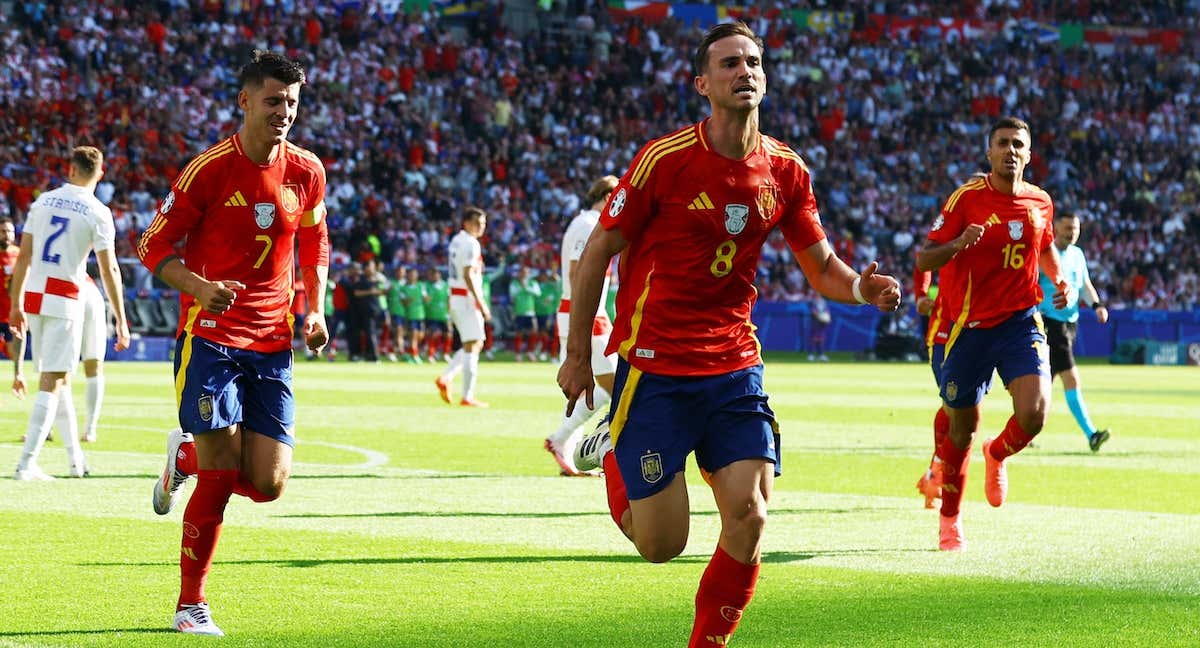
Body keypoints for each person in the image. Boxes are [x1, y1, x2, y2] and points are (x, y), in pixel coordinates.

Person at [559, 23, 901, 647]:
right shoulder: (664, 161)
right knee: (662, 546)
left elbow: (822, 266)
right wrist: (578, 355)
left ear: (764, 78)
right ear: (702, 84)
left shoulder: (787, 171)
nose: (743, 71)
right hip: (657, 367)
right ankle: (613, 449)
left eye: (752, 62)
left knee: (749, 516)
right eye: (728, 64)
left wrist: (861, 288)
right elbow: (598, 252)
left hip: (734, 367)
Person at [136, 50, 329, 636]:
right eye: (273, 101)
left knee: (268, 485)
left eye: (292, 103)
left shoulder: (307, 170)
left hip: (273, 342)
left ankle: (184, 456)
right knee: (222, 476)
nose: (284, 113)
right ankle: (189, 604)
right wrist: (198, 287)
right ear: (245, 101)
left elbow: (317, 240)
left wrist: (313, 307)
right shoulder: (209, 170)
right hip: (211, 338)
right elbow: (151, 245)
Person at [916, 116, 1073, 551]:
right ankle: (949, 519)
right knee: (960, 428)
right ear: (989, 153)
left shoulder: (1041, 202)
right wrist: (958, 244)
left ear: (1028, 152)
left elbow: (1043, 250)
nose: (1011, 151)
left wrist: (1058, 281)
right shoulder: (966, 199)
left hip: (1021, 322)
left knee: (1035, 414)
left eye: (1018, 144)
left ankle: (997, 453)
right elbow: (925, 258)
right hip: (969, 330)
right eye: (1002, 143)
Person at [11, 146, 131, 481]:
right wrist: (121, 319)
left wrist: (15, 304)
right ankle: (26, 463)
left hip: (34, 295)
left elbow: (23, 257)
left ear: (71, 169)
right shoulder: (97, 211)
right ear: (100, 174)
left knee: (59, 379)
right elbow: (109, 271)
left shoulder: (43, 201)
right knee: (52, 381)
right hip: (64, 299)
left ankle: (75, 461)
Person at [545, 175, 618, 476]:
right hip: (586, 315)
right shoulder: (587, 225)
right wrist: (584, 318)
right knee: (620, 386)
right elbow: (577, 271)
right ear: (605, 197)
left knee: (606, 385)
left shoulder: (586, 223)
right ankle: (588, 444)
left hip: (591, 314)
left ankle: (562, 439)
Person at [1038, 212, 1111, 451]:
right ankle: (1091, 434)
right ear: (1055, 228)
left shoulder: (1077, 255)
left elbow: (1084, 285)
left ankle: (1026, 432)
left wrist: (1097, 305)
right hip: (1050, 322)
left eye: (1076, 228)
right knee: (1071, 377)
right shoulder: (1045, 253)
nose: (1072, 232)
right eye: (1068, 228)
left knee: (1045, 382)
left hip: (1070, 323)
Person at [434, 207, 491, 407]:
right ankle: (466, 395)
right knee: (473, 344)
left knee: (473, 343)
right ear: (466, 223)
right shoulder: (471, 243)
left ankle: (446, 377)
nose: (481, 227)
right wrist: (481, 303)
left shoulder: (456, 240)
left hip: (456, 296)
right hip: (467, 298)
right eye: (477, 223)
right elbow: (468, 274)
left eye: (483, 223)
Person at [509, 265, 541, 362]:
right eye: (522, 272)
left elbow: (538, 293)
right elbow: (512, 294)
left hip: (531, 312)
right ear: (519, 273)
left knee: (534, 331)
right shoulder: (514, 283)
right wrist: (522, 288)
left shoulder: (532, 282)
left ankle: (529, 351)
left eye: (526, 272)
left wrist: (525, 287)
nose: (524, 274)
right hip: (519, 312)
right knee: (519, 333)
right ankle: (518, 353)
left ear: (529, 273)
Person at [807, 294, 831, 361]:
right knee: (813, 339)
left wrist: (827, 318)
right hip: (815, 323)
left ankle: (821, 355)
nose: (817, 296)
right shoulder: (813, 302)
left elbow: (827, 311)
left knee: (821, 339)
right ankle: (810, 355)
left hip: (822, 324)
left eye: (819, 295)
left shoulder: (824, 302)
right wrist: (820, 317)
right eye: (816, 295)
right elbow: (813, 311)